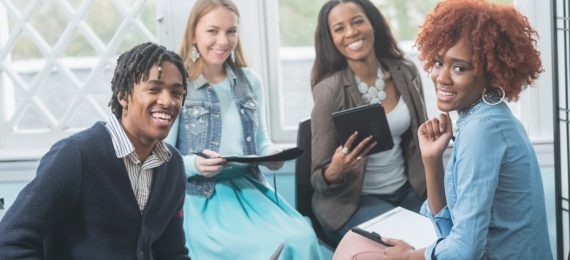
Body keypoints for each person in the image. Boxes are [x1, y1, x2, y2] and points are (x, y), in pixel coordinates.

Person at [383, 0, 552, 259]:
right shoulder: (481, 119)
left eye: (459, 67)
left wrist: (408, 257)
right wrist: (431, 160)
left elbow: (465, 249)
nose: (442, 77)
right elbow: (448, 230)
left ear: (492, 73)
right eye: (439, 62)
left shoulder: (484, 129)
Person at [0, 42, 190, 259]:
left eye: (177, 92)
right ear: (123, 96)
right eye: (153, 89)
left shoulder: (173, 166)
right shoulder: (75, 156)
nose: (168, 101)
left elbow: (172, 253)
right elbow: (10, 241)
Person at [165, 0, 323, 258]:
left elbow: (261, 140)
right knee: (260, 248)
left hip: (250, 189)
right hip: (202, 197)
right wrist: (195, 164)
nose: (223, 40)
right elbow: (162, 158)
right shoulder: (178, 83)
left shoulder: (250, 81)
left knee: (301, 237)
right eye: (212, 30)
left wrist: (271, 154)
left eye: (231, 31)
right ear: (194, 33)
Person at [310, 0, 428, 243]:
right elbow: (318, 178)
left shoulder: (405, 72)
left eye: (357, 21)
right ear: (331, 38)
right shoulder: (328, 90)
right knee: (408, 244)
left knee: (444, 239)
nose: (351, 32)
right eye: (339, 28)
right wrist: (335, 169)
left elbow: (422, 137)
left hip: (410, 192)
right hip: (354, 203)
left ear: (372, 23)